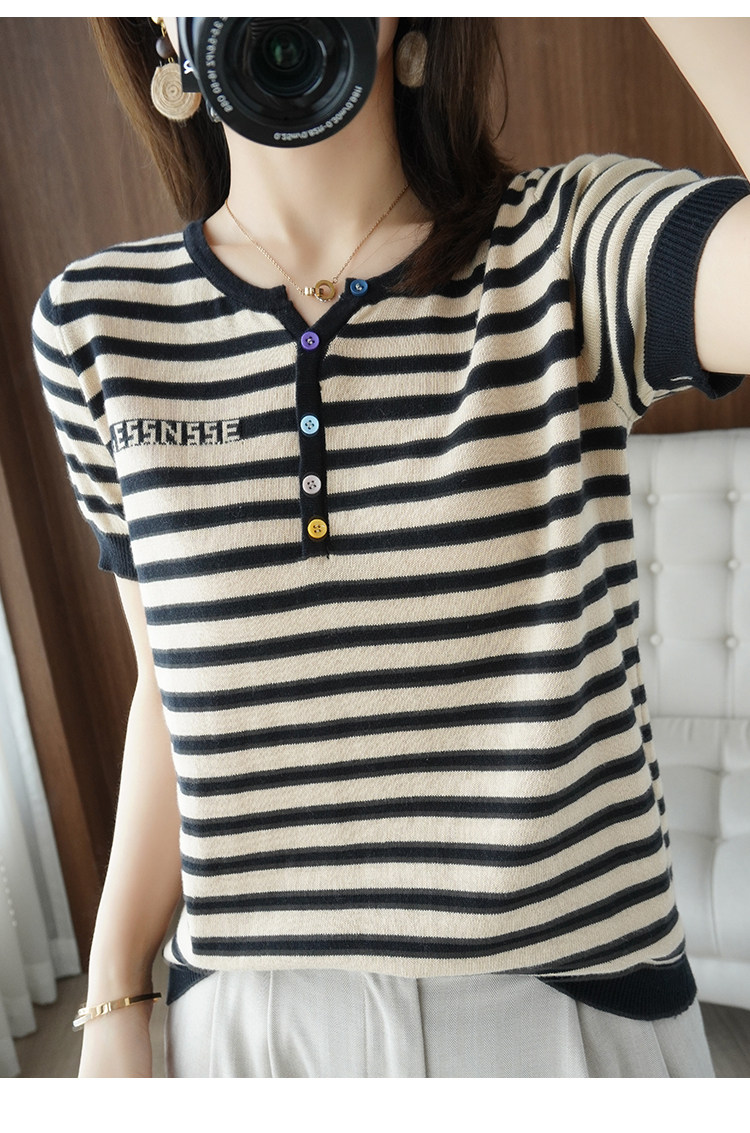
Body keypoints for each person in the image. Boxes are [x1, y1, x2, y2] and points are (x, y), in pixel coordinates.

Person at [32, 17, 750, 1078]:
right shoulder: (97, 325)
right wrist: (115, 998)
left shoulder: (567, 244)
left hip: (573, 1011)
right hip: (246, 1023)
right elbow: (165, 692)